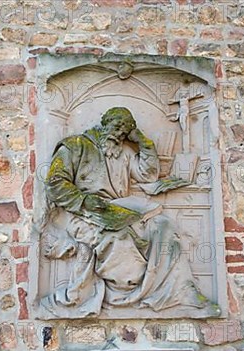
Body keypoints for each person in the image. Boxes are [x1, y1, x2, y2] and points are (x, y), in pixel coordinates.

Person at [40, 107, 217, 318]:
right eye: (116, 126)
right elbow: (55, 183)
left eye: (125, 131)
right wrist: (84, 200)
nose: (119, 134)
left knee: (163, 226)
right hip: (81, 211)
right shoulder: (75, 146)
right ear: (105, 122)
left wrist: (142, 140)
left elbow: (148, 175)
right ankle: (124, 295)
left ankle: (176, 292)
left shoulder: (122, 151)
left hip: (119, 209)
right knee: (118, 238)